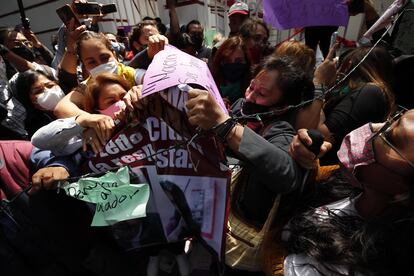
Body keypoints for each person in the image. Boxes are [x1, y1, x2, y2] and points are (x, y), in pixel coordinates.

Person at [185, 56, 314, 273]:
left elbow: (287, 175)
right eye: (251, 87)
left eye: (262, 94)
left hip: (239, 245)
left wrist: (224, 126)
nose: (250, 96)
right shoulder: (238, 108)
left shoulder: (280, 131)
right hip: (210, 225)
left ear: (283, 106)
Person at [284, 108, 414, 275]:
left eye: (390, 137)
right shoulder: (348, 185)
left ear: (407, 192)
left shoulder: (357, 267)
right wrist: (301, 159)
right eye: (392, 119)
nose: (372, 127)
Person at [313, 45, 396, 165]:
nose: (339, 71)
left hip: (328, 167)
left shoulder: (369, 93)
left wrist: (319, 82)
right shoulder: (363, 91)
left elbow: (321, 135)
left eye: (343, 66)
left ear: (351, 65)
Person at [32, 73, 130, 156]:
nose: (121, 103)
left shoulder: (143, 112)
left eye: (123, 96)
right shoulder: (88, 136)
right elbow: (38, 140)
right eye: (111, 101)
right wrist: (83, 121)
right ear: (97, 110)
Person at [211, 36, 250, 106]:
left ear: (246, 61)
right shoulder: (211, 85)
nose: (233, 65)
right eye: (227, 60)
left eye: (238, 61)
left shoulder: (252, 91)